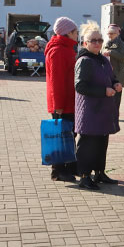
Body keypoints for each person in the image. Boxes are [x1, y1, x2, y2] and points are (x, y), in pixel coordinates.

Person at [74, 22, 123, 190]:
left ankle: (99, 172)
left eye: (100, 40)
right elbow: (80, 86)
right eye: (93, 40)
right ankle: (84, 176)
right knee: (88, 144)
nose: (97, 43)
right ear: (85, 43)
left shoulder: (103, 59)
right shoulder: (84, 61)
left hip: (103, 109)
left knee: (102, 142)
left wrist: (116, 83)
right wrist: (104, 91)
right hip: (90, 110)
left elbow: (111, 77)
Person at [44, 17, 80, 182]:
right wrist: (58, 105)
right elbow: (56, 81)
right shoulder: (58, 51)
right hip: (62, 103)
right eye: (75, 31)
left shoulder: (66, 48)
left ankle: (70, 165)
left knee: (69, 135)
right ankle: (58, 170)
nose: (77, 34)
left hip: (69, 101)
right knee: (60, 137)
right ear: (68, 33)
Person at [102, 24, 124, 112]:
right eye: (109, 33)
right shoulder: (105, 43)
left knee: (116, 100)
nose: (110, 35)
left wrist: (111, 52)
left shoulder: (121, 44)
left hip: (118, 75)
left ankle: (115, 116)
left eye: (112, 33)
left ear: (117, 34)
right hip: (107, 75)